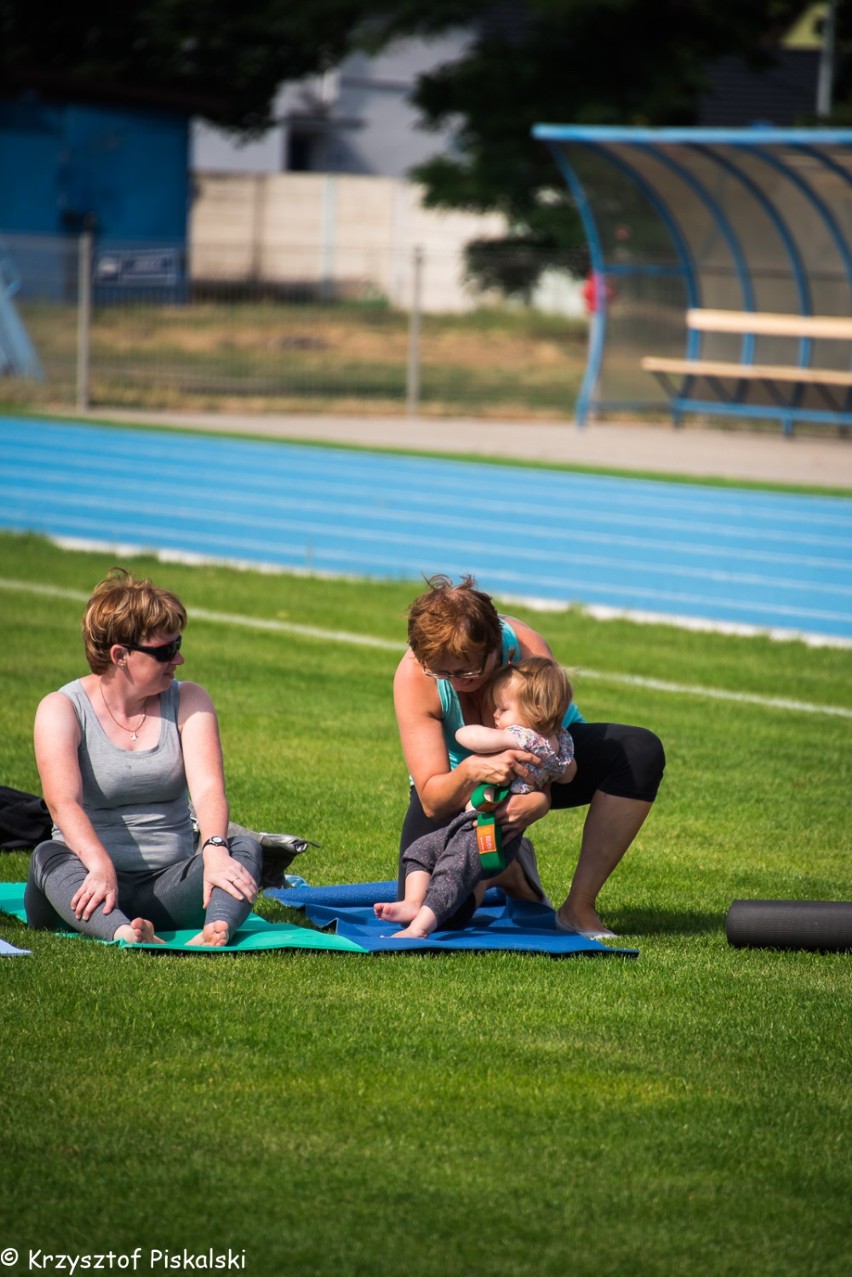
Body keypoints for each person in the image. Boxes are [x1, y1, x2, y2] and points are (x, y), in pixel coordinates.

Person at [393, 574, 666, 939]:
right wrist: (474, 770)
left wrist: (540, 799)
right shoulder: (416, 673)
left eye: (468, 671)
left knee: (639, 750)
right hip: (460, 788)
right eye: (443, 672)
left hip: (544, 768)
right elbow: (431, 799)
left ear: (496, 649)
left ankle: (579, 907)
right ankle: (508, 870)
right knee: (440, 915)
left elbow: (552, 753)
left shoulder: (528, 650)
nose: (456, 682)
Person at [25, 568, 262, 947]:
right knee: (47, 855)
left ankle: (215, 930)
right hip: (85, 879)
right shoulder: (62, 708)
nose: (179, 658)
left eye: (178, 643)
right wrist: (100, 866)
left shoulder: (189, 699)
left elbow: (208, 790)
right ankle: (123, 932)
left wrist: (214, 848)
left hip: (168, 885)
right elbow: (62, 803)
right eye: (165, 650)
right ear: (119, 655)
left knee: (243, 848)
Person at [377, 657, 576, 939]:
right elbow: (569, 774)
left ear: (537, 713)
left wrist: (501, 738)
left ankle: (420, 927)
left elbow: (466, 736)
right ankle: (412, 904)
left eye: (503, 709)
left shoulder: (519, 737)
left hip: (487, 830)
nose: (495, 715)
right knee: (422, 849)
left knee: (451, 870)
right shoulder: (561, 744)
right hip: (473, 822)